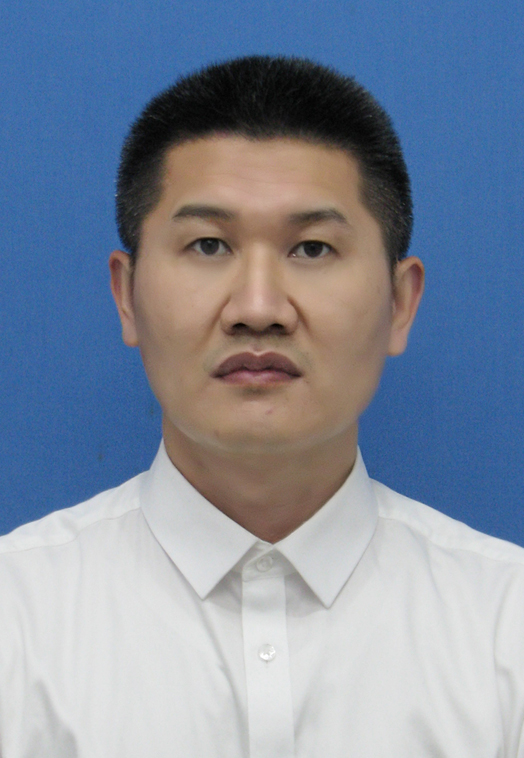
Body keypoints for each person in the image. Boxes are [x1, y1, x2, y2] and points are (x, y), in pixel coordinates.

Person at [0, 55, 523, 758]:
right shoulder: (16, 620)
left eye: (312, 248)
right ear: (126, 296)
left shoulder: (506, 630)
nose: (257, 308)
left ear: (400, 304)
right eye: (208, 244)